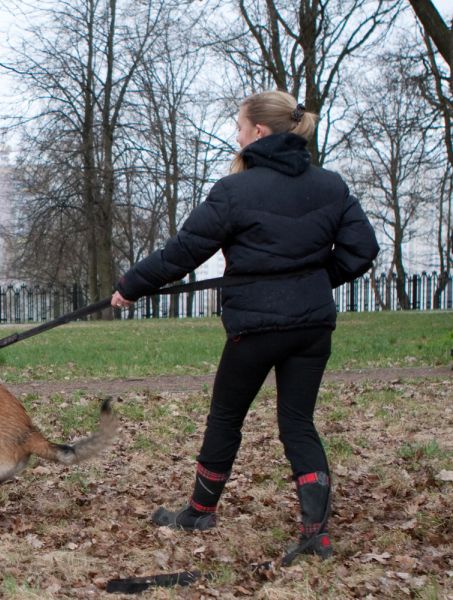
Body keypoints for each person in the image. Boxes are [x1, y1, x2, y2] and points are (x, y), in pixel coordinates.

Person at [111, 91, 379, 565]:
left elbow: (182, 252)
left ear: (258, 131)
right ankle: (315, 534)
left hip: (255, 329)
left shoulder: (234, 191)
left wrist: (131, 285)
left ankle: (199, 512)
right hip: (312, 326)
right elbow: (362, 250)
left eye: (239, 127)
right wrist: (312, 283)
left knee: (225, 417)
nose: (236, 136)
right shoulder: (331, 185)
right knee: (298, 424)